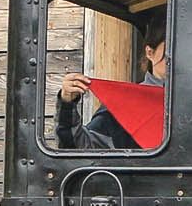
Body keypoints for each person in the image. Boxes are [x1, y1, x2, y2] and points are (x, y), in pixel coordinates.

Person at [56, 13, 167, 149]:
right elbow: (78, 148)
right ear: (150, 52)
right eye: (170, 50)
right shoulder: (125, 104)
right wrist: (67, 105)